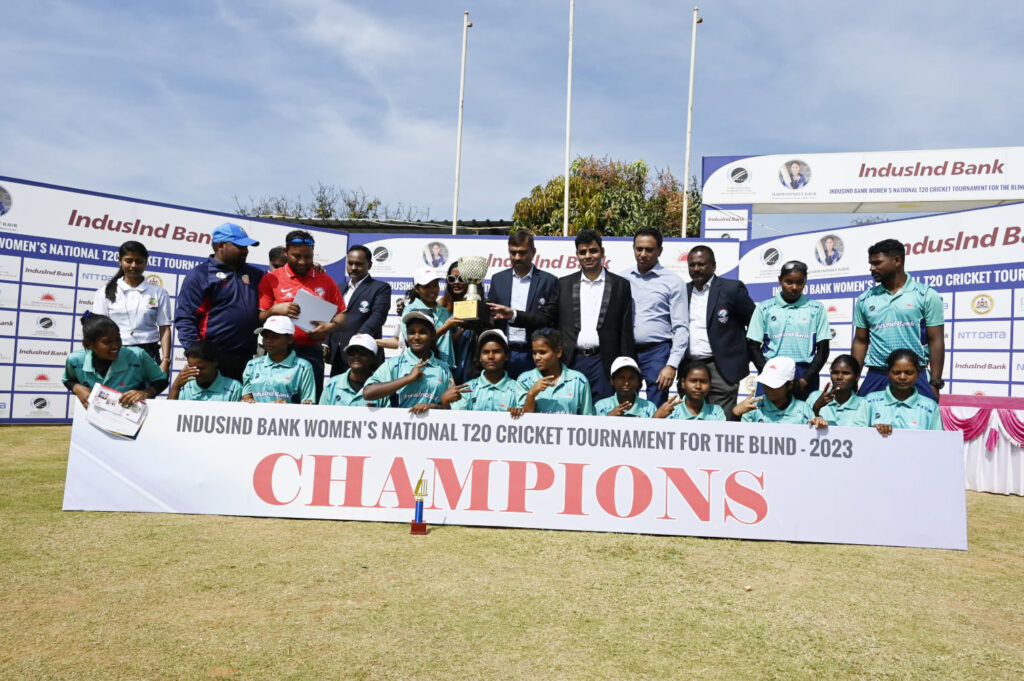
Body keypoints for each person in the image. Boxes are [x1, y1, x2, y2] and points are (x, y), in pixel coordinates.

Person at [493, 229, 635, 402]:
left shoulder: (621, 285)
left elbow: (625, 331)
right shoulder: (564, 284)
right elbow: (544, 318)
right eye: (583, 252)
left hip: (603, 363)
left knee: (602, 415)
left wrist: (629, 368)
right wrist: (514, 315)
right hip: (571, 361)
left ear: (602, 253)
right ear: (577, 255)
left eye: (593, 251)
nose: (588, 256)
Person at [257, 230, 346, 400]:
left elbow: (342, 315)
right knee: (271, 401)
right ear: (286, 252)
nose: (303, 261)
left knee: (309, 404)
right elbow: (260, 317)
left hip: (311, 351)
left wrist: (331, 327)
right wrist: (275, 310)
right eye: (296, 256)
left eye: (308, 256)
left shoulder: (325, 280)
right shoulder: (271, 279)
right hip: (277, 351)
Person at [852, 238, 945, 399]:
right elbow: (861, 341)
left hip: (914, 375)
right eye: (871, 263)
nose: (872, 268)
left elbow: (935, 339)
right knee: (862, 423)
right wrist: (853, 379)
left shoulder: (926, 295)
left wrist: (935, 383)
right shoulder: (865, 299)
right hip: (877, 374)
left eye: (877, 263)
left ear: (897, 261)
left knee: (919, 423)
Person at [175, 223, 264, 382]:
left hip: (247, 359)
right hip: (213, 360)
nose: (246, 251)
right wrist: (197, 356)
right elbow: (186, 318)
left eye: (247, 246)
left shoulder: (256, 274)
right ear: (221, 245)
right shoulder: (200, 275)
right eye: (240, 246)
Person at [684, 245, 756, 421]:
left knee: (722, 421)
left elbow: (755, 324)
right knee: (691, 419)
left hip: (721, 369)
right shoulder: (681, 291)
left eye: (701, 264)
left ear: (713, 266)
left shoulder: (731, 289)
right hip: (690, 365)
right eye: (692, 265)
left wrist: (740, 355)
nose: (696, 269)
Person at [620, 227, 689, 406]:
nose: (643, 254)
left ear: (660, 251)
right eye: (639, 249)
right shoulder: (622, 279)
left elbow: (681, 328)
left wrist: (671, 365)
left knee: (657, 404)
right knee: (625, 403)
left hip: (657, 352)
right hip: (627, 349)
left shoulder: (674, 282)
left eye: (649, 250)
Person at [746, 260, 829, 401]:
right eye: (788, 282)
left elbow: (823, 349)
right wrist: (768, 373)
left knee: (804, 418)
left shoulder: (816, 308)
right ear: (780, 280)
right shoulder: (764, 308)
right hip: (772, 370)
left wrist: (805, 379)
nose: (794, 287)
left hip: (804, 372)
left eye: (800, 282)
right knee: (765, 417)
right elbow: (753, 346)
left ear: (806, 281)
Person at [91, 240, 172, 376]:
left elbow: (165, 328)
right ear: (120, 261)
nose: (134, 265)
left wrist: (166, 360)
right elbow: (98, 329)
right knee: (114, 395)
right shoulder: (105, 292)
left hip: (148, 352)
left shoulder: (158, 292)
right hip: (115, 351)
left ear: (146, 262)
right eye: (128, 261)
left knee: (145, 394)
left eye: (139, 261)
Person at [485, 230, 558, 378]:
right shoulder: (498, 279)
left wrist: (513, 315)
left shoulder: (549, 281)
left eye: (522, 253)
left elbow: (546, 319)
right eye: (513, 253)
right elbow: (490, 317)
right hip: (504, 354)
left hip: (534, 354)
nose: (517, 257)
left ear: (533, 252)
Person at [63, 312, 168, 408]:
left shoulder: (138, 356)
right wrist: (77, 388)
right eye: (107, 342)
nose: (116, 345)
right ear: (89, 344)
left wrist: (145, 392)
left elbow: (162, 381)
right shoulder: (75, 360)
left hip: (129, 420)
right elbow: (68, 380)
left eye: (118, 339)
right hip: (91, 419)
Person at [363, 310, 456, 412]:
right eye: (411, 332)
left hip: (431, 427)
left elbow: (452, 409)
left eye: (422, 332)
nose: (416, 337)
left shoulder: (443, 369)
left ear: (433, 334)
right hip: (397, 426)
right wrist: (408, 378)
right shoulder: (393, 365)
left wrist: (433, 407)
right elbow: (368, 393)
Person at [327, 245, 391, 377]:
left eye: (358, 264)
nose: (353, 268)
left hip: (364, 355)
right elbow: (330, 317)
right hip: (339, 355)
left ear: (370, 265)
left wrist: (359, 339)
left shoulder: (380, 288)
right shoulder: (339, 288)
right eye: (350, 263)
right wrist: (325, 343)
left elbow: (378, 315)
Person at [448, 329, 529, 417]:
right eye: (486, 352)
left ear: (506, 356)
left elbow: (526, 418)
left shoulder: (518, 389)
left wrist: (518, 413)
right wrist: (445, 402)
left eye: (496, 352)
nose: (491, 356)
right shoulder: (467, 389)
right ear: (480, 357)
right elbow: (457, 420)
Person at [518, 329, 595, 415]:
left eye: (542, 352)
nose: (537, 357)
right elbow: (523, 423)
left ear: (558, 352)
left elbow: (588, 418)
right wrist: (531, 394)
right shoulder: (524, 380)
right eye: (534, 353)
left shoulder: (579, 381)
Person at [865, 349, 943, 434]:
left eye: (908, 373)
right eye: (896, 372)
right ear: (888, 373)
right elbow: (857, 436)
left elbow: (938, 441)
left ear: (918, 374)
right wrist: (872, 432)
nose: (902, 377)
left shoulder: (930, 407)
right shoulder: (869, 401)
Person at [241, 315, 316, 404]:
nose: (268, 340)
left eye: (275, 336)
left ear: (290, 339)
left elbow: (308, 404)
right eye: (265, 336)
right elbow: (246, 397)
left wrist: (286, 407)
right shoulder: (252, 365)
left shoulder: (303, 367)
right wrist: (248, 400)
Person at [403, 267, 461, 371]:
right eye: (426, 287)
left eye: (435, 285)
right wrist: (445, 327)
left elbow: (448, 340)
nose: (432, 290)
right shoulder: (411, 310)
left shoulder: (443, 311)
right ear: (417, 289)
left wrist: (463, 327)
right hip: (424, 366)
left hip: (447, 367)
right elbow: (413, 341)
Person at [733, 356, 815, 424]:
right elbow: (739, 439)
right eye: (765, 383)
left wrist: (819, 427)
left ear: (790, 385)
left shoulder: (804, 410)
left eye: (774, 385)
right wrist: (735, 414)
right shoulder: (753, 407)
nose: (768, 388)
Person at [319, 333, 388, 407]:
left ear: (373, 357)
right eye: (351, 352)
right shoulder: (332, 384)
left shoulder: (383, 388)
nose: (356, 356)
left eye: (362, 352)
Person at [805, 354, 869, 427]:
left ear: (856, 376)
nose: (839, 377)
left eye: (846, 373)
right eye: (835, 372)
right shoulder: (814, 397)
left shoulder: (864, 404)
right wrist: (816, 408)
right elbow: (802, 428)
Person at [168, 340, 242, 401]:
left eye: (200, 368)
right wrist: (175, 387)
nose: (196, 372)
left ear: (215, 362)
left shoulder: (234, 388)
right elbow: (167, 415)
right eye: (191, 368)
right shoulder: (183, 387)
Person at [439, 260, 476, 384]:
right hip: (447, 363)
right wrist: (461, 328)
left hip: (471, 363)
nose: (456, 282)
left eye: (461, 278)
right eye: (452, 279)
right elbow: (438, 342)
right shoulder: (441, 306)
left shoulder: (478, 304)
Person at [654, 362, 727, 421]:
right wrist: (656, 418)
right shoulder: (670, 411)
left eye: (703, 381)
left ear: (710, 384)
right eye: (693, 381)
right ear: (683, 383)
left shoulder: (716, 412)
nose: (698, 386)